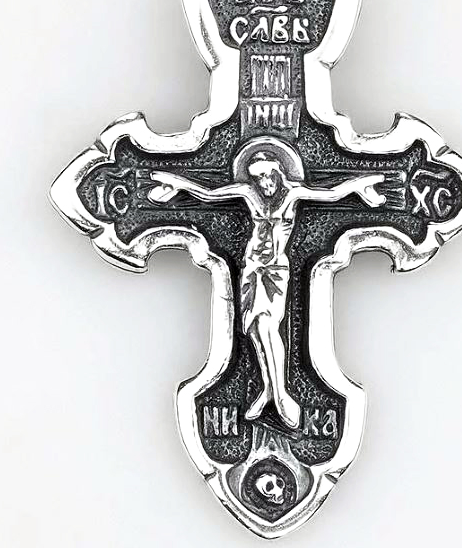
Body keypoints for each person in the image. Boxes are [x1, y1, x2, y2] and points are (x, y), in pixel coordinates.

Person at [149, 143, 385, 429]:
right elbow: (210, 193)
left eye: (267, 176)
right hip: (252, 269)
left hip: (274, 271)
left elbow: (331, 193)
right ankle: (268, 391)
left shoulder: (294, 194)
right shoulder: (249, 193)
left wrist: (360, 185)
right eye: (258, 178)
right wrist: (177, 183)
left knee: (268, 326)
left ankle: (282, 395)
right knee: (255, 331)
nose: (263, 183)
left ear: (278, 173)